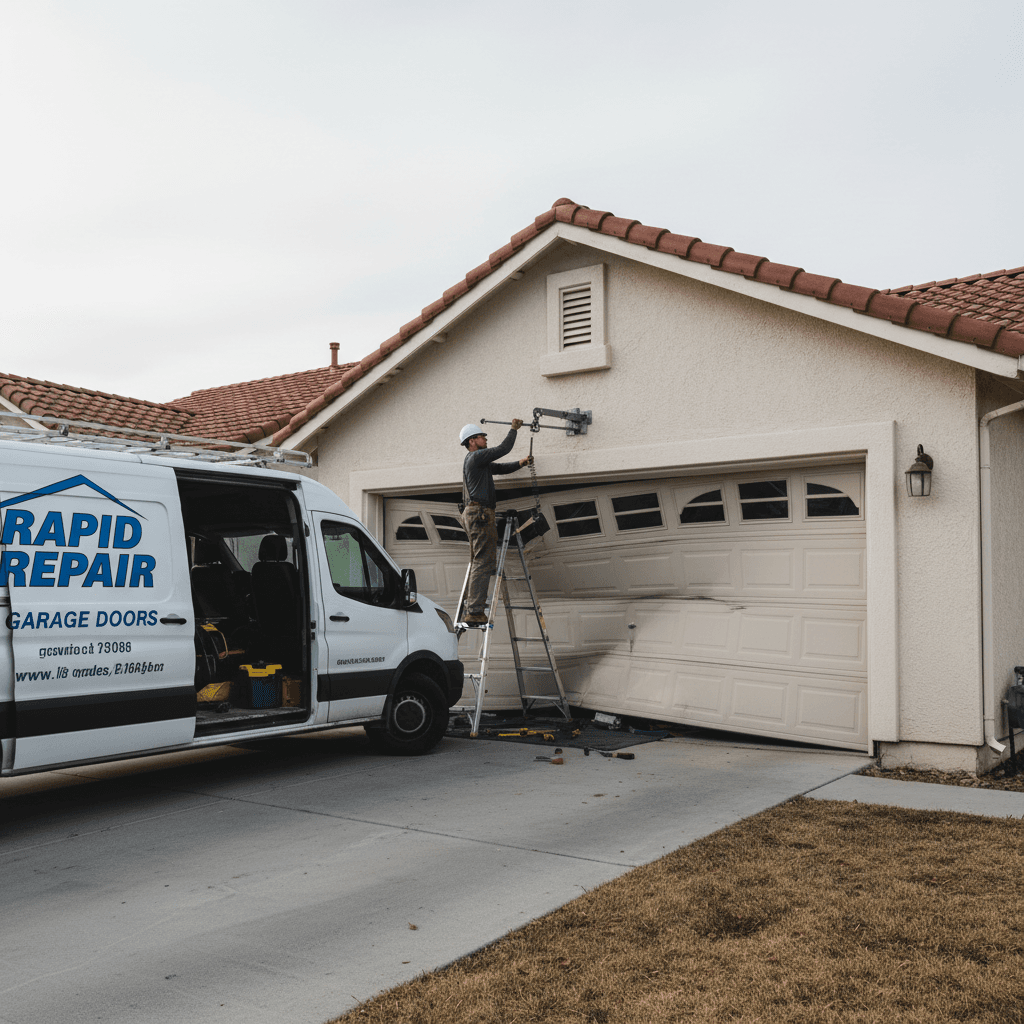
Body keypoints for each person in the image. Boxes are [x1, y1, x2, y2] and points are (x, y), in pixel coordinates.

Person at [459, 419, 532, 624]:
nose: (485, 439)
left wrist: (521, 463)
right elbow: (503, 449)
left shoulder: (478, 462)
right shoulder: (476, 456)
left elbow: (500, 468)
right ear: (472, 441)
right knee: (483, 562)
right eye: (482, 437)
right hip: (480, 513)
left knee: (479, 561)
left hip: (475, 513)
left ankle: (472, 607)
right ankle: (474, 611)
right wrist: (513, 429)